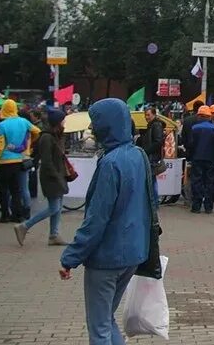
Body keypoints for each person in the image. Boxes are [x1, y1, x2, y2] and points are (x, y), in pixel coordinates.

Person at [59, 98, 152, 345]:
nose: (92, 129)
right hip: (134, 253)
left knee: (99, 327)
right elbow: (150, 203)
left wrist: (71, 257)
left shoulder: (111, 163)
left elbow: (96, 220)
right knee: (106, 319)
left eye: (95, 123)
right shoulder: (138, 155)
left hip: (107, 257)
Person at [15, 109, 70, 246]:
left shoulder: (57, 136)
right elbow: (47, 161)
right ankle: (24, 226)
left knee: (57, 206)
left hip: (58, 175)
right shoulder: (46, 137)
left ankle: (54, 234)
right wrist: (57, 176)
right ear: (57, 122)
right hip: (51, 177)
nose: (64, 122)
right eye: (62, 120)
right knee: (54, 208)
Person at [0, 99, 39, 223]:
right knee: (17, 189)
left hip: (4, 161)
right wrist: (28, 144)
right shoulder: (24, 122)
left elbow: (0, 146)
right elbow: (37, 131)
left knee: (4, 190)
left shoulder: (2, 125)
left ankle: (5, 214)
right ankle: (18, 214)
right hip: (19, 160)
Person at [186, 106, 214, 214]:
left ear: (200, 116)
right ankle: (208, 207)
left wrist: (189, 157)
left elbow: (191, 144)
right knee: (209, 182)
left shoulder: (195, 128)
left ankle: (196, 206)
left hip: (197, 158)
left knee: (197, 181)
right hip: (210, 159)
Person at [138, 107, 166, 206]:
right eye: (145, 115)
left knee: (151, 180)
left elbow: (158, 142)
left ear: (154, 115)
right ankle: (153, 202)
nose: (146, 117)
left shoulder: (156, 125)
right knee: (151, 179)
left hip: (152, 157)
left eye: (148, 115)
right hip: (151, 156)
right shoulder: (153, 125)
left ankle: (153, 203)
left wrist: (146, 150)